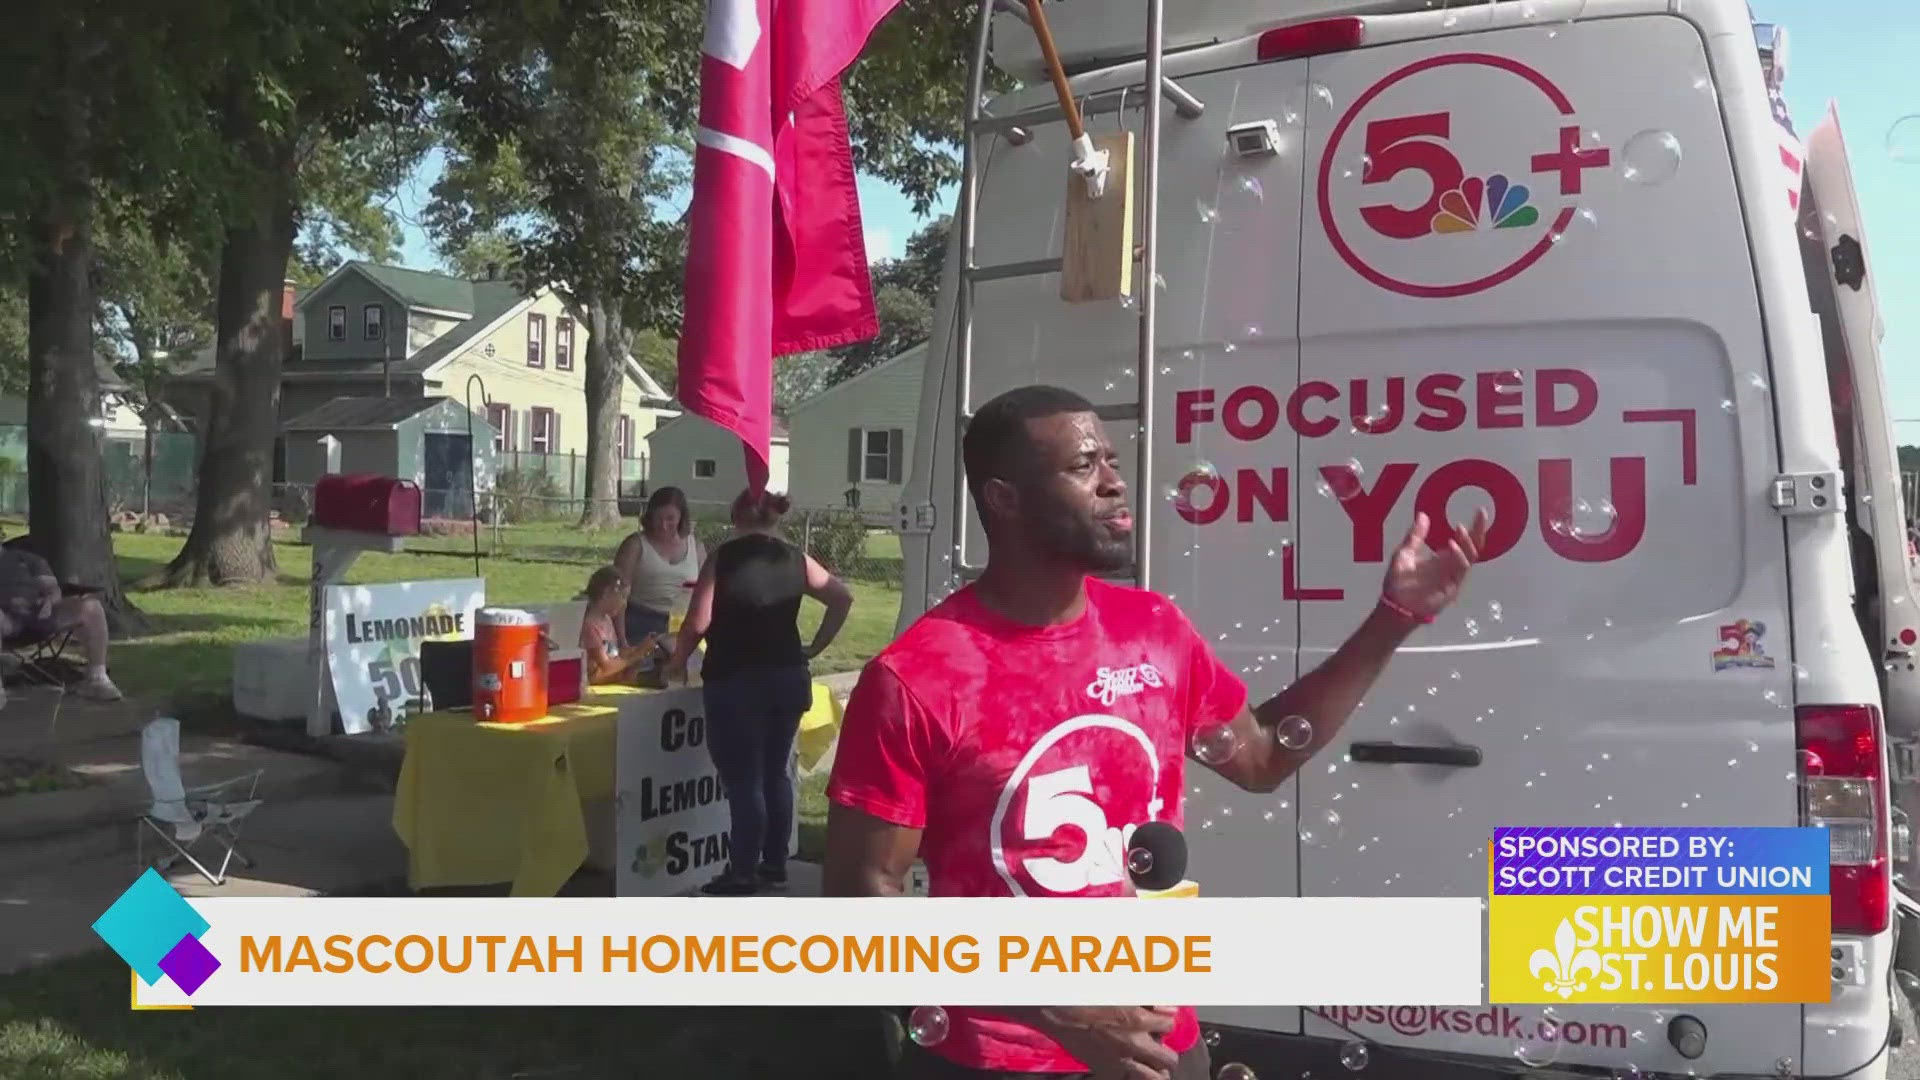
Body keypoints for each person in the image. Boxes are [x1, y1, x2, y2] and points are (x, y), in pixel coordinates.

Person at [822, 385, 1489, 1080]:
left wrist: (1394, 618)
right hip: (992, 1060)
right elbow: (858, 903)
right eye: (1084, 465)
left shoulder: (1153, 630)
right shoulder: (917, 677)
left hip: (1163, 1043)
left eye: (1112, 459)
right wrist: (1054, 1006)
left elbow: (1261, 756)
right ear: (1003, 498)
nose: (1115, 481)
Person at [669, 488, 855, 896]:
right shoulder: (795, 559)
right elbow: (841, 598)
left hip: (735, 677)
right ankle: (773, 865)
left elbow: (698, 621)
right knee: (775, 773)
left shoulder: (724, 557)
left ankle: (741, 871)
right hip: (787, 674)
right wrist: (815, 647)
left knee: (743, 779)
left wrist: (677, 660)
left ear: (737, 515)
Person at [0, 545, 123, 707]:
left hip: (42, 615)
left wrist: (49, 603)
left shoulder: (26, 559)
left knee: (92, 607)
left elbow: (52, 590)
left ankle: (97, 679)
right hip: (6, 620)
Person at [614, 487, 705, 645]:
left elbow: (705, 593)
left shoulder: (695, 546)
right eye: (658, 518)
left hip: (683, 623)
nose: (663, 525)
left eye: (670, 519)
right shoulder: (635, 545)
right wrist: (622, 641)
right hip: (640, 623)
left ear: (681, 517)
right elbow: (617, 595)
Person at [579, 566, 658, 686]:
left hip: (613, 677)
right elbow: (605, 668)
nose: (624, 603)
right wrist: (636, 655)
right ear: (606, 593)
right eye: (623, 597)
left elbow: (613, 655)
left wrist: (641, 649)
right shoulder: (590, 626)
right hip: (595, 681)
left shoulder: (606, 620)